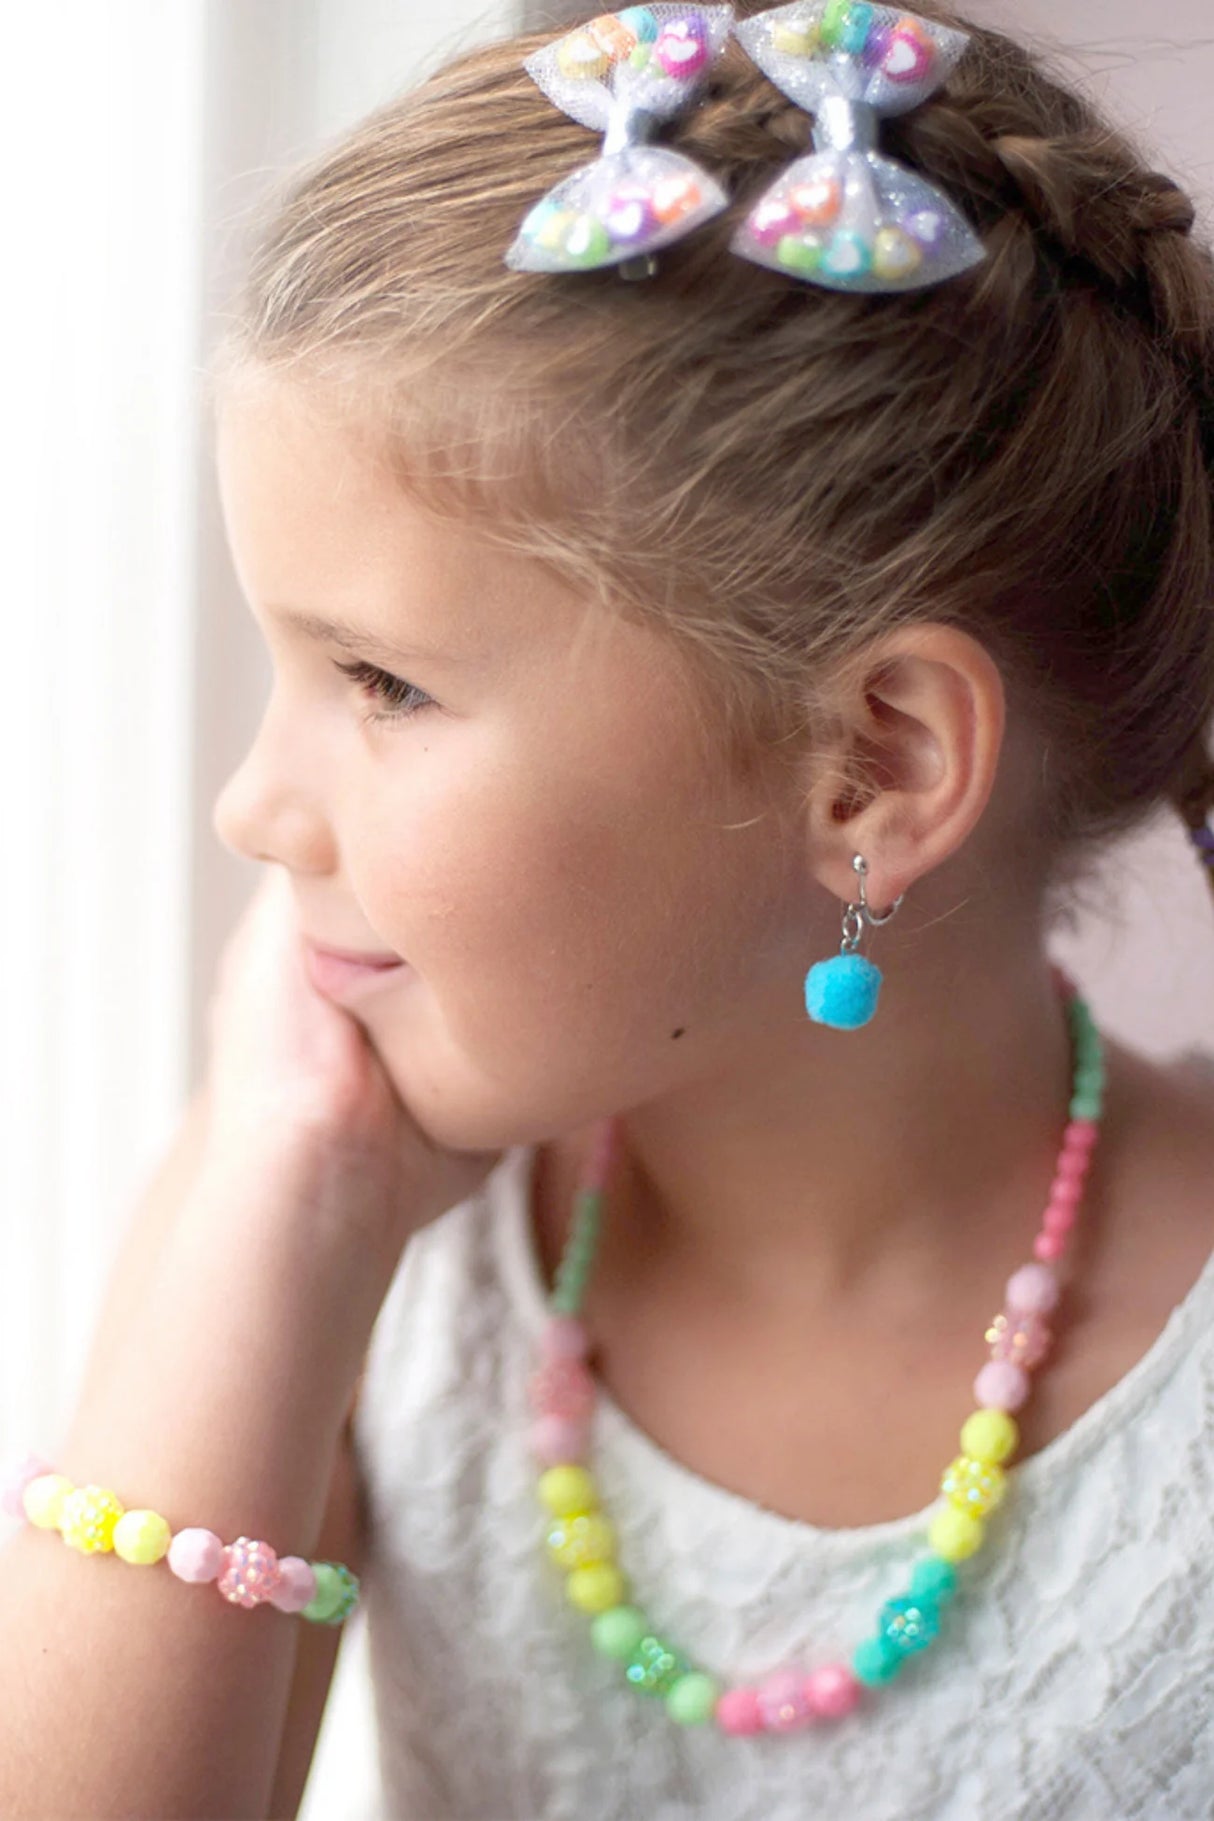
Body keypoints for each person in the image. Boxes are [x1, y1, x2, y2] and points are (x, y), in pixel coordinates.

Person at [3, 2, 1213, 1816]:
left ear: (868, 768)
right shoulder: (336, 1237)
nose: (251, 806)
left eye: (382, 684)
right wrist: (278, 1212)